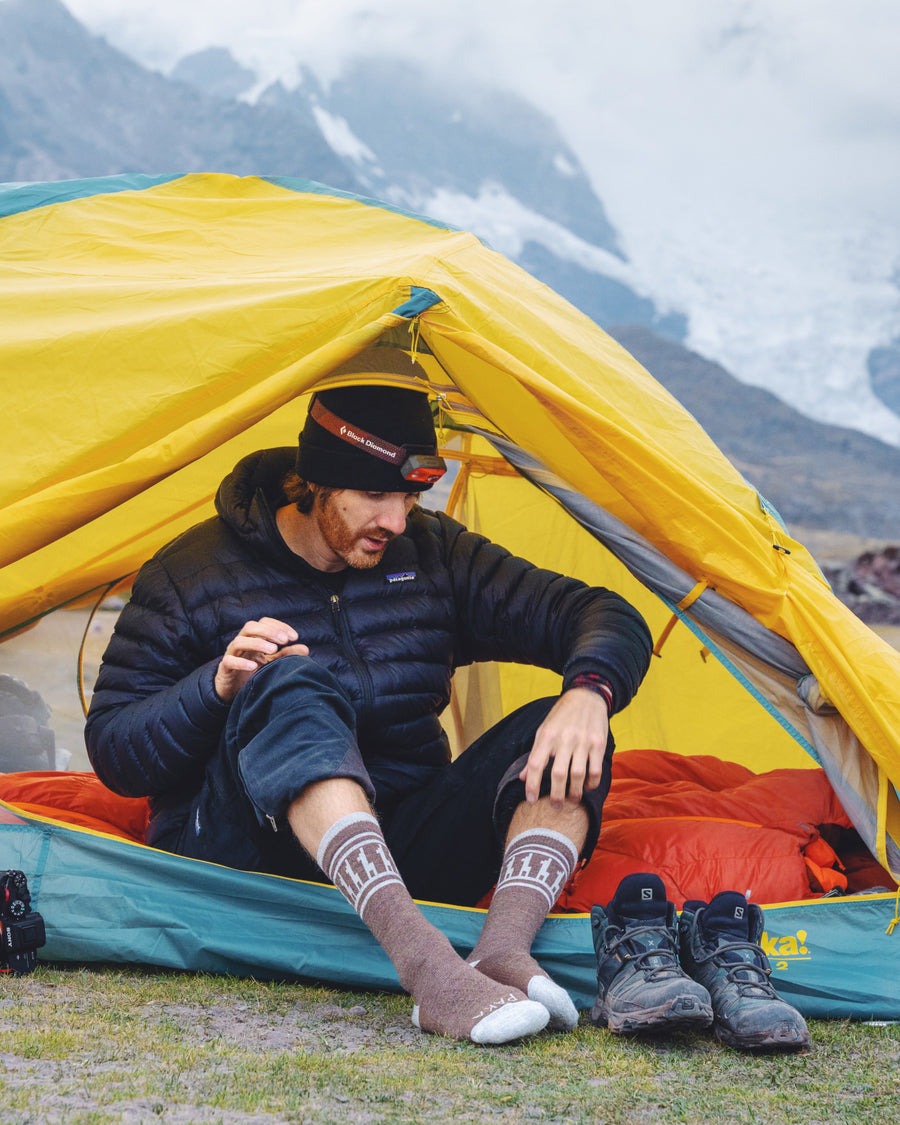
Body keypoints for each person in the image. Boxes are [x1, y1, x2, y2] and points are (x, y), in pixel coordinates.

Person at [86, 371, 653, 1045]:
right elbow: (114, 748)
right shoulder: (193, 572)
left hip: (405, 847)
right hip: (246, 860)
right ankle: (431, 972)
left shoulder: (433, 555)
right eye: (376, 494)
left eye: (410, 495)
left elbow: (599, 612)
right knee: (287, 680)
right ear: (317, 480)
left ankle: (502, 949)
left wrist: (590, 691)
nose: (396, 519)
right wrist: (216, 687)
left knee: (558, 724)